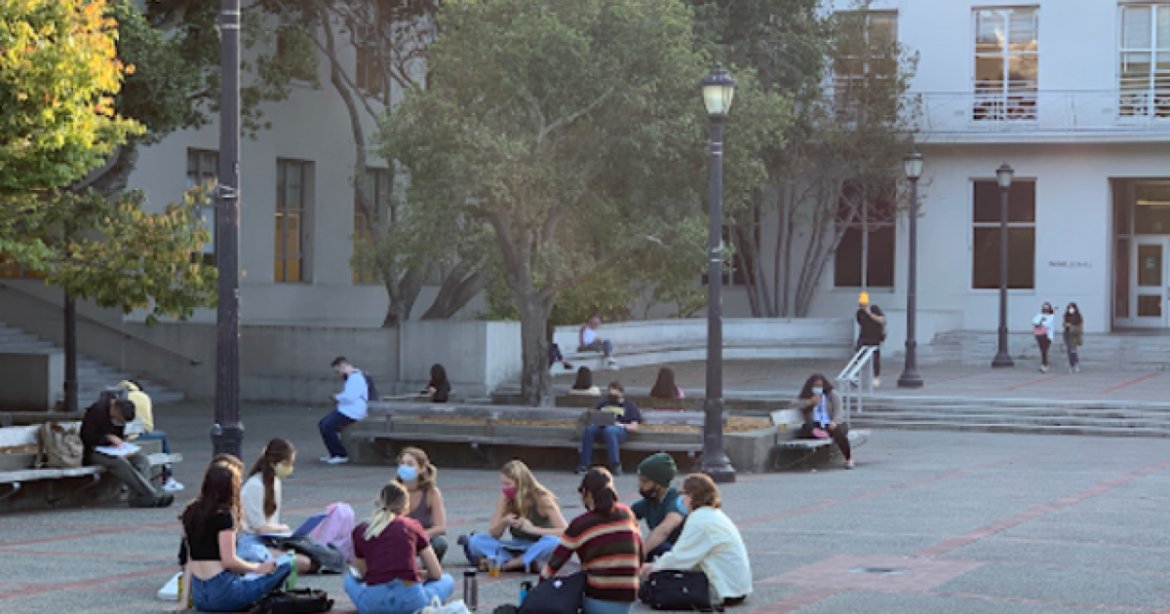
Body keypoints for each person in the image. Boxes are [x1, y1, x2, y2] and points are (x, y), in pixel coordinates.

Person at [178, 462, 294, 612]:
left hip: (200, 596)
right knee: (286, 564)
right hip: (224, 593)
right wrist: (258, 568)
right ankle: (268, 601)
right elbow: (229, 561)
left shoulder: (191, 512)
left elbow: (190, 560)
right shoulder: (224, 516)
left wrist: (184, 601)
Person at [640, 474, 752, 608]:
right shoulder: (711, 514)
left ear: (691, 496)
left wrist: (650, 568)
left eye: (681, 493)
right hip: (736, 587)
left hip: (723, 590)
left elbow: (679, 559)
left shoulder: (700, 520)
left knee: (656, 585)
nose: (679, 499)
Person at [542, 468, 642, 614]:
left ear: (587, 494)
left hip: (598, 598)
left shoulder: (581, 524)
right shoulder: (628, 514)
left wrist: (539, 588)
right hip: (628, 597)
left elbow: (555, 563)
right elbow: (640, 554)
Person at [347, 481, 454, 614]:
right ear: (405, 506)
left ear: (378, 502)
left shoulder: (361, 529)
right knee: (447, 579)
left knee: (349, 580)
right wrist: (421, 574)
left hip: (375, 604)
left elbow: (364, 574)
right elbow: (436, 573)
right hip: (411, 601)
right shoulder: (412, 526)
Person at [464, 460, 567, 573]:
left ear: (520, 483)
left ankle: (510, 564)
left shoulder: (543, 500)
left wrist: (533, 529)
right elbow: (494, 534)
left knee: (553, 542)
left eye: (508, 484)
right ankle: (525, 563)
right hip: (515, 546)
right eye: (503, 484)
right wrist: (504, 522)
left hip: (538, 545)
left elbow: (566, 532)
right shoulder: (505, 498)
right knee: (475, 541)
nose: (505, 488)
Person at [80, 395, 172, 508]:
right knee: (120, 463)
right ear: (114, 410)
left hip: (113, 450)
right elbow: (87, 437)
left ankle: (138, 497)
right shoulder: (97, 411)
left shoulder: (119, 416)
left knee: (141, 459)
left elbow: (120, 434)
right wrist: (108, 438)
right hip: (93, 452)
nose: (119, 423)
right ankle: (151, 495)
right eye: (119, 420)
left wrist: (124, 443)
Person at [237, 438, 314, 573]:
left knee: (313, 558)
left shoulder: (275, 481)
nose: (289, 468)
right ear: (273, 463)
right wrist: (283, 528)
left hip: (269, 539)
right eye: (287, 464)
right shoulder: (255, 485)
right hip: (250, 541)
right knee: (302, 563)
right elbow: (259, 527)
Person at [118, 380, 182, 492]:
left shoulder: (118, 399)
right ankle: (168, 477)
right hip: (136, 437)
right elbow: (149, 426)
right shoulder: (144, 397)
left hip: (120, 440)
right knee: (162, 436)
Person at [396, 446, 449, 562]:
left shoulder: (431, 493)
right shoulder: (393, 490)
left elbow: (441, 528)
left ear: (421, 469)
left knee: (440, 543)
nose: (405, 467)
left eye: (410, 464)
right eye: (402, 463)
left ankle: (430, 566)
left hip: (423, 539)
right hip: (397, 539)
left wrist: (419, 535)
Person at [577, 382, 642, 475]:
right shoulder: (603, 404)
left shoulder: (629, 405)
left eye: (615, 395)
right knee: (589, 429)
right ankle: (584, 463)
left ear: (621, 393)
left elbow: (634, 426)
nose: (612, 397)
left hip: (619, 432)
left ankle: (615, 464)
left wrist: (619, 425)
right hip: (601, 428)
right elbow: (595, 417)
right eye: (610, 395)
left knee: (610, 430)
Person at [632, 453, 686, 562]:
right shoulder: (650, 501)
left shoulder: (676, 500)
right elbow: (625, 515)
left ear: (659, 484)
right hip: (668, 554)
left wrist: (638, 556)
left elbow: (664, 530)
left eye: (644, 481)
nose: (639, 485)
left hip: (683, 555)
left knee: (658, 545)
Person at [797, 374, 853, 469]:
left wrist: (834, 422)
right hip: (816, 424)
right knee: (807, 427)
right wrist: (810, 402)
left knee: (838, 430)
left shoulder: (832, 395)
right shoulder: (808, 396)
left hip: (830, 423)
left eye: (819, 385)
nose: (817, 388)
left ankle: (848, 459)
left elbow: (839, 411)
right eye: (815, 385)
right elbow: (795, 405)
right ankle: (820, 433)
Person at [319, 356, 369, 464]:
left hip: (352, 411)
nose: (338, 375)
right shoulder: (353, 377)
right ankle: (334, 453)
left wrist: (337, 397)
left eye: (338, 372)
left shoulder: (355, 378)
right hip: (347, 410)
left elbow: (350, 397)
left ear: (343, 367)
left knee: (326, 426)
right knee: (324, 424)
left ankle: (340, 454)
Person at [855, 292, 885, 387]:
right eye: (860, 304)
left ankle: (876, 377)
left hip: (875, 338)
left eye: (863, 304)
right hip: (864, 337)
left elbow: (881, 320)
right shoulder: (859, 313)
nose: (862, 306)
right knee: (858, 357)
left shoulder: (875, 309)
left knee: (875, 359)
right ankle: (855, 376)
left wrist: (869, 313)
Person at [1032, 302, 1057, 373]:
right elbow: (1034, 321)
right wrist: (1040, 321)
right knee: (1042, 350)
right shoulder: (1040, 315)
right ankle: (1044, 364)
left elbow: (1047, 324)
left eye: (1047, 307)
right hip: (1039, 335)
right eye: (1044, 307)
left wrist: (1041, 322)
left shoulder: (1051, 316)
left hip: (1047, 336)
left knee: (1044, 349)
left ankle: (1044, 364)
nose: (1045, 309)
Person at [1063, 302, 1084, 373]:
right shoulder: (1066, 315)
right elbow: (1064, 324)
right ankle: (1072, 365)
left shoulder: (1078, 316)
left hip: (1074, 335)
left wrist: (1079, 332)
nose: (1070, 309)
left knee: (1073, 350)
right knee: (1069, 350)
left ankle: (1076, 364)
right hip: (1067, 334)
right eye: (1069, 308)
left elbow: (1080, 325)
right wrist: (1066, 325)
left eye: (1072, 308)